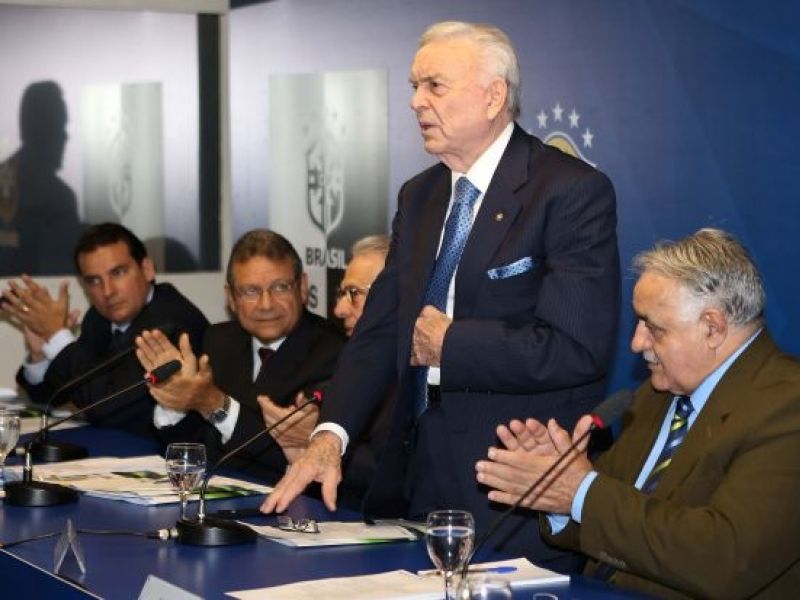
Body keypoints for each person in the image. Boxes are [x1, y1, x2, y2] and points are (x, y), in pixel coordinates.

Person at [263, 20, 619, 568]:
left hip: (512, 487)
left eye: (434, 86)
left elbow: (576, 347)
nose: (415, 102)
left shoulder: (569, 191)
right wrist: (330, 436)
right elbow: (379, 332)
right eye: (414, 86)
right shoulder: (420, 195)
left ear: (493, 95)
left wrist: (451, 345)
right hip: (417, 475)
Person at [476, 228, 800, 598]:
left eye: (654, 328)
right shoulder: (656, 395)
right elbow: (616, 524)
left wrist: (581, 490)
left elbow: (725, 559)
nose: (636, 343)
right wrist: (560, 491)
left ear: (712, 328)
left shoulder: (787, 407)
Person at [135, 229, 345, 482]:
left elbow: (285, 456)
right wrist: (175, 401)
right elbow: (195, 446)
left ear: (302, 288)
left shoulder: (333, 352)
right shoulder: (220, 340)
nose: (266, 304)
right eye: (251, 291)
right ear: (231, 298)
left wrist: (215, 404)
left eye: (280, 287)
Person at [3, 222, 208, 439]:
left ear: (147, 269)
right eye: (94, 280)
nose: (107, 291)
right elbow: (54, 395)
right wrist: (41, 352)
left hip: (168, 450)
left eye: (118, 273)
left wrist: (56, 335)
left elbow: (106, 408)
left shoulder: (172, 323)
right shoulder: (99, 318)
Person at [257, 234, 394, 506]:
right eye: (342, 293)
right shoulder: (346, 371)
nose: (339, 309)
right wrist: (301, 452)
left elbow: (401, 480)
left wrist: (325, 443)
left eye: (354, 294)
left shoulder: (425, 377)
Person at [0, 81, 83, 275]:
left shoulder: (61, 197)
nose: (65, 137)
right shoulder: (60, 199)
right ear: (38, 130)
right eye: (59, 126)